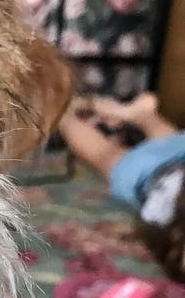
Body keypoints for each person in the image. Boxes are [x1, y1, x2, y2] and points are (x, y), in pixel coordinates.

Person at [59, 93, 185, 283]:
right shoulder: (166, 211)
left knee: (171, 145)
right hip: (151, 173)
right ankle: (62, 114)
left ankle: (143, 115)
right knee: (105, 155)